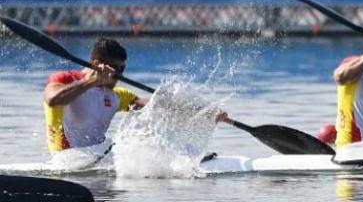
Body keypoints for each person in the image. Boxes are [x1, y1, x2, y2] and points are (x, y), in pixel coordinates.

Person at [43, 38, 228, 153]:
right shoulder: (65, 79)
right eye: (116, 68)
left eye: (123, 69)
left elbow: (160, 108)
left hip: (98, 156)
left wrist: (206, 114)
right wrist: (92, 81)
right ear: (98, 64)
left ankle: (180, 159)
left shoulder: (117, 96)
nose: (120, 75)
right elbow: (52, 100)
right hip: (66, 159)